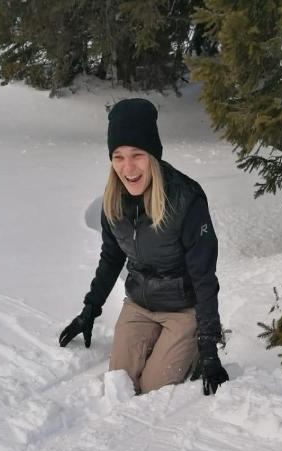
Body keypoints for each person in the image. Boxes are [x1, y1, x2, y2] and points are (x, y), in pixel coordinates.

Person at [59, 98, 229, 396]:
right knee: (121, 381)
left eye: (137, 155)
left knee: (152, 388)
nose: (128, 168)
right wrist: (90, 308)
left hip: (183, 309)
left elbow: (204, 277)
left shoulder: (186, 199)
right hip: (139, 305)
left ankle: (188, 350)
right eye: (118, 156)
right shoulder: (114, 201)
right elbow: (111, 257)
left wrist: (208, 345)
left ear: (153, 154)